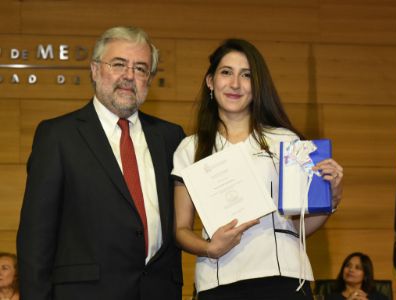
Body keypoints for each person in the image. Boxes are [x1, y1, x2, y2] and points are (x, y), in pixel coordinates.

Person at [17, 26, 185, 300]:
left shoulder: (171, 137)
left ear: (149, 80)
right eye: (119, 64)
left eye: (141, 68)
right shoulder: (58, 136)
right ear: (95, 70)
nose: (129, 76)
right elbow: (35, 239)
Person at [172, 38, 344, 300]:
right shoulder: (190, 148)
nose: (235, 84)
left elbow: (298, 227)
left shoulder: (286, 141)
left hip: (284, 278)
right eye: (226, 72)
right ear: (210, 81)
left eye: (246, 75)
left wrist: (331, 197)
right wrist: (210, 248)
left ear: (257, 85)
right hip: (218, 280)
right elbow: (181, 229)